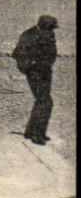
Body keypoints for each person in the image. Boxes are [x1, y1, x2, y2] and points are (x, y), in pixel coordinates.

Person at [12, 14, 59, 145]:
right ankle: (37, 135)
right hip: (35, 73)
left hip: (46, 72)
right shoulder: (28, 35)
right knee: (45, 101)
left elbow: (51, 53)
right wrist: (29, 67)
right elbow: (17, 53)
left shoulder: (48, 34)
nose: (52, 30)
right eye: (51, 27)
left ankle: (31, 131)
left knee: (41, 101)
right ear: (44, 25)